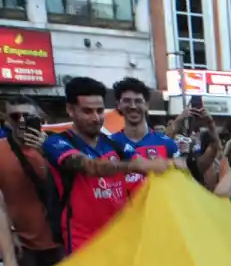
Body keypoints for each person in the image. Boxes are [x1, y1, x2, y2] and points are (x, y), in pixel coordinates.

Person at [42, 77, 167, 253]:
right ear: (70, 110)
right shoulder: (57, 143)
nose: (95, 118)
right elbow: (90, 167)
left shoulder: (114, 144)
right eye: (87, 111)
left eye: (100, 111)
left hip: (120, 241)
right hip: (83, 248)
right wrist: (134, 166)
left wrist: (172, 165)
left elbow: (144, 163)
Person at [0, 96, 58, 266]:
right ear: (7, 120)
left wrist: (46, 151)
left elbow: (66, 187)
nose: (22, 121)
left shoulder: (56, 147)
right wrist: (11, 265)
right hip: (23, 245)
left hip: (59, 240)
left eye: (27, 116)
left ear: (39, 117)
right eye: (16, 116)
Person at [109, 78, 183, 171]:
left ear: (147, 105)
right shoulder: (109, 144)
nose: (133, 106)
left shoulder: (167, 144)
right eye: (127, 100)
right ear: (118, 105)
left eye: (138, 101)